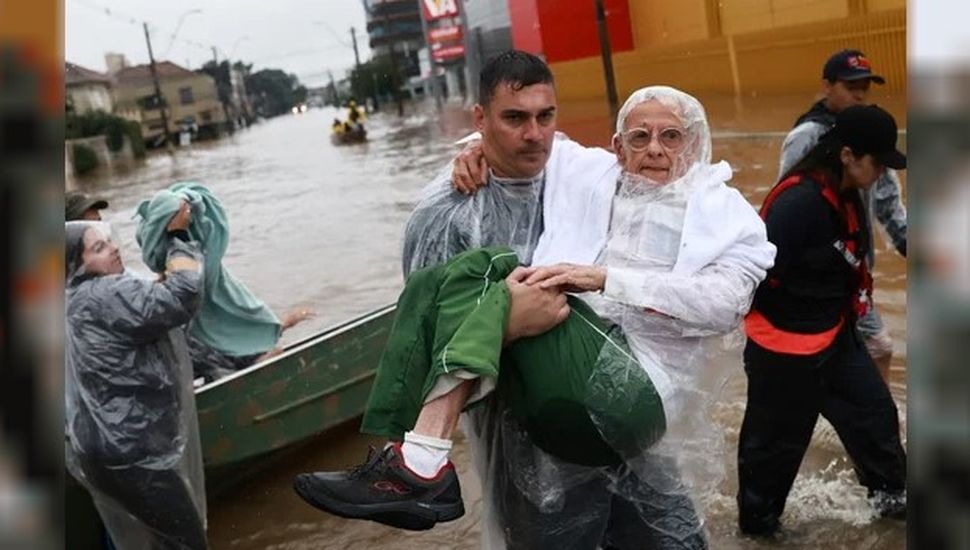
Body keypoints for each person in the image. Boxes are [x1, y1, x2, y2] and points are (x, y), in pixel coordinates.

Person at [296, 51, 773, 548]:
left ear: (693, 144)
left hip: (626, 407)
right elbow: (431, 326)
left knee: (669, 537)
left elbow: (727, 298)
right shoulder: (467, 206)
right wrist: (508, 324)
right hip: (536, 430)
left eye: (546, 117)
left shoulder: (717, 209)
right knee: (477, 276)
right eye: (514, 119)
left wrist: (602, 279)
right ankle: (416, 456)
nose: (535, 134)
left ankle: (417, 459)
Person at [737, 104, 908, 536]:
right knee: (773, 453)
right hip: (785, 349)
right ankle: (758, 533)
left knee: (875, 417)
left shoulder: (847, 192)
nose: (886, 173)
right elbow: (750, 274)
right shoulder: (798, 204)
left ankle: (894, 508)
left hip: (834, 336)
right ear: (848, 154)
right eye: (880, 162)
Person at [65, 203, 209, 549]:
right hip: (133, 451)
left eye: (108, 240)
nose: (114, 248)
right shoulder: (106, 293)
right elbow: (185, 294)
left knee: (159, 540)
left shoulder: (74, 298)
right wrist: (178, 236)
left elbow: (140, 309)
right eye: (98, 248)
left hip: (100, 449)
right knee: (186, 543)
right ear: (76, 265)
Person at [779, 49, 907, 382]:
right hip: (819, 275)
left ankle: (868, 416)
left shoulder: (871, 134)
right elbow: (787, 203)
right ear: (826, 86)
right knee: (872, 345)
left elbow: (888, 202)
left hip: (855, 273)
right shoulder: (806, 137)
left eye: (865, 86)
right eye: (851, 86)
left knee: (870, 347)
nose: (860, 94)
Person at [134, 182, 312, 383]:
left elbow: (203, 204)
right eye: (183, 211)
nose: (190, 212)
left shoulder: (192, 258)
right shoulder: (182, 269)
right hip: (205, 355)